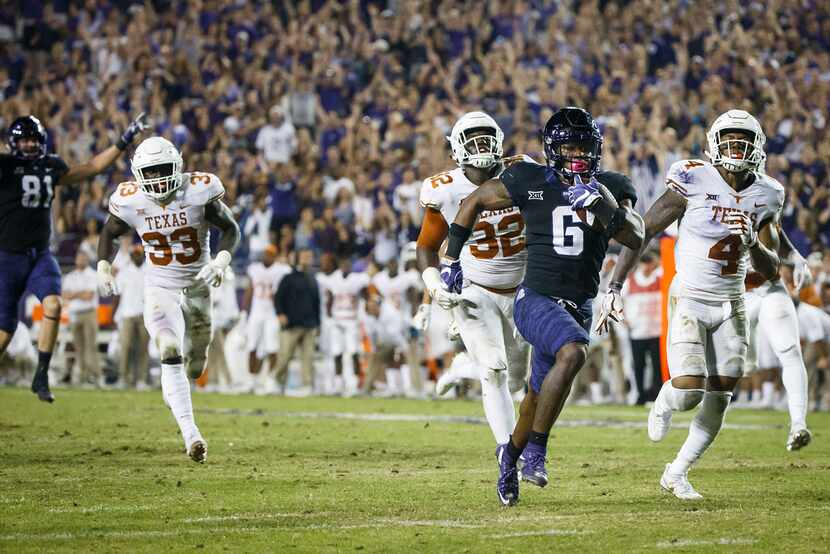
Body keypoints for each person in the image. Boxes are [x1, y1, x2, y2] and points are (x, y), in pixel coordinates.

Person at [442, 107, 644, 506]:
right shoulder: (528, 179)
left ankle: (508, 462)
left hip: (580, 304)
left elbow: (636, 235)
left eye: (584, 147)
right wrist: (451, 260)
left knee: (536, 397)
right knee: (573, 352)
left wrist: (605, 207)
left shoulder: (611, 184)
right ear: (553, 150)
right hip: (535, 299)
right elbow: (474, 200)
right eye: (569, 147)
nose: (578, 155)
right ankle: (536, 451)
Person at [597, 109, 782, 499]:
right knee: (688, 391)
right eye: (729, 139)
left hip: (732, 302)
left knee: (722, 392)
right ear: (714, 143)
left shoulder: (768, 193)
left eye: (743, 140)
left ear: (757, 147)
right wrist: (615, 284)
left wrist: (753, 241)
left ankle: (677, 472)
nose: (736, 147)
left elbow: (772, 267)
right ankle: (663, 403)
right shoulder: (693, 177)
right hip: (691, 298)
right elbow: (642, 231)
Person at [96, 136, 241, 463]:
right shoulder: (131, 200)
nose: (159, 178)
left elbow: (231, 228)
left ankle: (175, 390)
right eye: (152, 171)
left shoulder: (198, 190)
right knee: (169, 349)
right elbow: (110, 232)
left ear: (177, 166)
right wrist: (104, 265)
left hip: (199, 284)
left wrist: (221, 260)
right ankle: (192, 435)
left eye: (164, 169)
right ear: (138, 174)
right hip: (160, 287)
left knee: (196, 361)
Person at [0, 113, 147, 402]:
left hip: (40, 254)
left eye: (34, 139)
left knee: (54, 305)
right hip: (7, 257)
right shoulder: (4, 166)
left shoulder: (49, 165)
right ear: (14, 142)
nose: (30, 145)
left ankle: (41, 375)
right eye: (25, 140)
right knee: (5, 330)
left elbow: (91, 167)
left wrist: (123, 141)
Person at [416, 111, 531, 448]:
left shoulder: (521, 170)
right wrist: (433, 285)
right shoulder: (445, 189)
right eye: (473, 138)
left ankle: (463, 367)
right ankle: (509, 455)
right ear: (456, 148)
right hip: (474, 287)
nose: (481, 144)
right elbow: (425, 246)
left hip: (521, 288)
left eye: (486, 136)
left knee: (514, 381)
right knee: (495, 370)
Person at [743, 231, 813, 449]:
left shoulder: (769, 196)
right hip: (733, 292)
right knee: (728, 370)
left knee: (790, 351)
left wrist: (794, 255)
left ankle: (799, 424)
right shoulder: (705, 199)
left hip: (765, 287)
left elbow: (772, 223)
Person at [320, 256, 369, 395]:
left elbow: (365, 293)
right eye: (343, 263)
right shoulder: (333, 279)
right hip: (337, 320)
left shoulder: (357, 279)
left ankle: (354, 384)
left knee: (353, 352)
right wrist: (330, 315)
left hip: (352, 321)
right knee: (337, 353)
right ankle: (338, 384)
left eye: (347, 264)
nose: (345, 266)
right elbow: (329, 297)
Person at [274, 248, 321, 394]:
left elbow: (316, 303)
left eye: (310, 257)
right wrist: (280, 314)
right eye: (305, 256)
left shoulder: (313, 279)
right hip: (291, 325)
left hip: (309, 325)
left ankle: (307, 385)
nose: (308, 259)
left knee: (308, 358)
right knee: (284, 356)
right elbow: (278, 298)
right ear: (298, 258)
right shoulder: (288, 278)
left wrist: (318, 323)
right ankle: (278, 382)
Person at [243, 244, 290, 381]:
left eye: (270, 254)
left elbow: (289, 269)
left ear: (274, 257)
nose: (266, 256)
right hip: (256, 312)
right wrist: (245, 311)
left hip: (272, 313)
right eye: (265, 253)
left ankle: (270, 379)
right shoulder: (254, 269)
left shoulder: (281, 270)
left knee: (272, 347)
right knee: (252, 345)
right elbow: (250, 290)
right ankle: (252, 379)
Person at [622, 252, 663, 405]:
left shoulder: (660, 279)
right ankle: (640, 395)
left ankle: (656, 394)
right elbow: (619, 301)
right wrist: (624, 320)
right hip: (637, 332)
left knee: (657, 365)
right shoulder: (630, 282)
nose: (648, 266)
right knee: (639, 365)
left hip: (657, 331)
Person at [113, 244, 150, 388]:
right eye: (134, 254)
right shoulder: (125, 272)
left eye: (139, 254)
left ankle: (141, 379)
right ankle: (123, 378)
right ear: (131, 256)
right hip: (127, 314)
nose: (137, 256)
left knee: (143, 348)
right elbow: (117, 294)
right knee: (125, 347)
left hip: (145, 314)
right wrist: (114, 314)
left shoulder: (150, 270)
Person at [63, 251, 100, 385]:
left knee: (91, 345)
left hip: (89, 313)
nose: (81, 261)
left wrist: (74, 294)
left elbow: (89, 296)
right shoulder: (70, 276)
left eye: (84, 258)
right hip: (75, 314)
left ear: (87, 260)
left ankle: (95, 376)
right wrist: (80, 293)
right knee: (79, 347)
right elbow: (65, 295)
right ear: (76, 260)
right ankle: (83, 376)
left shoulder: (93, 274)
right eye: (79, 258)